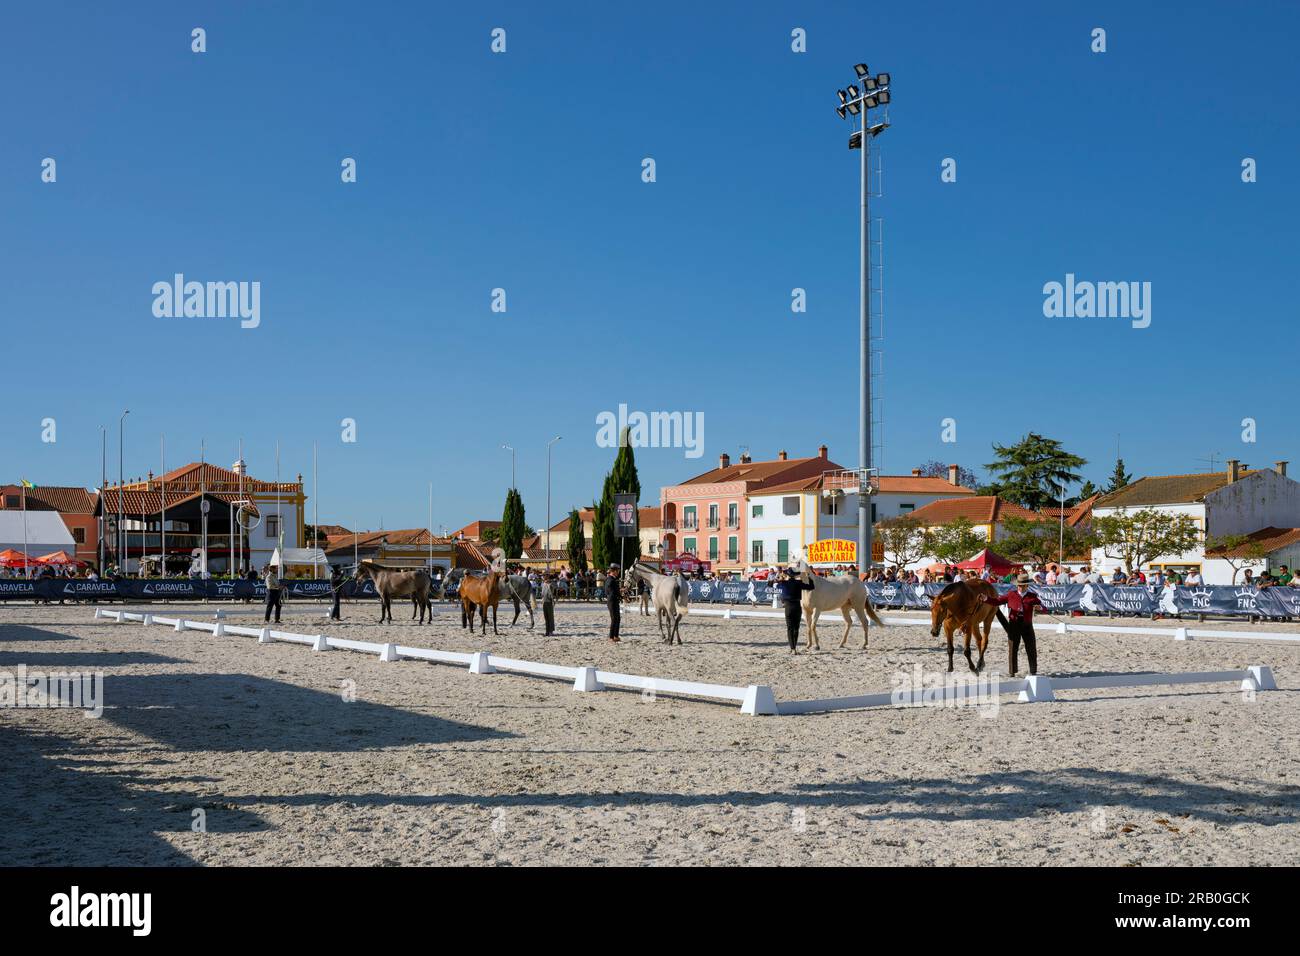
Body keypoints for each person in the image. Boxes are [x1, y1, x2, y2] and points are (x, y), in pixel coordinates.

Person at [980, 572, 1044, 676]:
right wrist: (986, 599)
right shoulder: (1011, 594)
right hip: (1014, 624)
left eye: (1023, 586)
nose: (1020, 588)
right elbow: (997, 601)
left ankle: (1033, 671)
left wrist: (1039, 608)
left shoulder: (1032, 596)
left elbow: (1043, 607)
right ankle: (1012, 671)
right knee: (1013, 648)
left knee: (1031, 648)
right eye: (1019, 586)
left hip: (1027, 625)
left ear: (1027, 586)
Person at [774, 566, 813, 653]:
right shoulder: (799, 583)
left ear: (787, 575)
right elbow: (811, 587)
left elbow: (770, 584)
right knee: (796, 628)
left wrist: (779, 578)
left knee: (789, 628)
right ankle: (794, 647)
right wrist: (809, 577)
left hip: (788, 606)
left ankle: (793, 648)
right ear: (795, 576)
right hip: (797, 606)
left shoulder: (783, 583)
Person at [605, 564, 621, 642]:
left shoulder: (611, 579)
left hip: (614, 601)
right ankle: (611, 637)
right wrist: (621, 596)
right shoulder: (611, 580)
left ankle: (616, 636)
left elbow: (615, 591)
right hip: (612, 601)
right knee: (614, 619)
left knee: (617, 618)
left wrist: (620, 591)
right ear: (614, 571)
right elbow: (613, 592)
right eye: (617, 571)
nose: (618, 572)